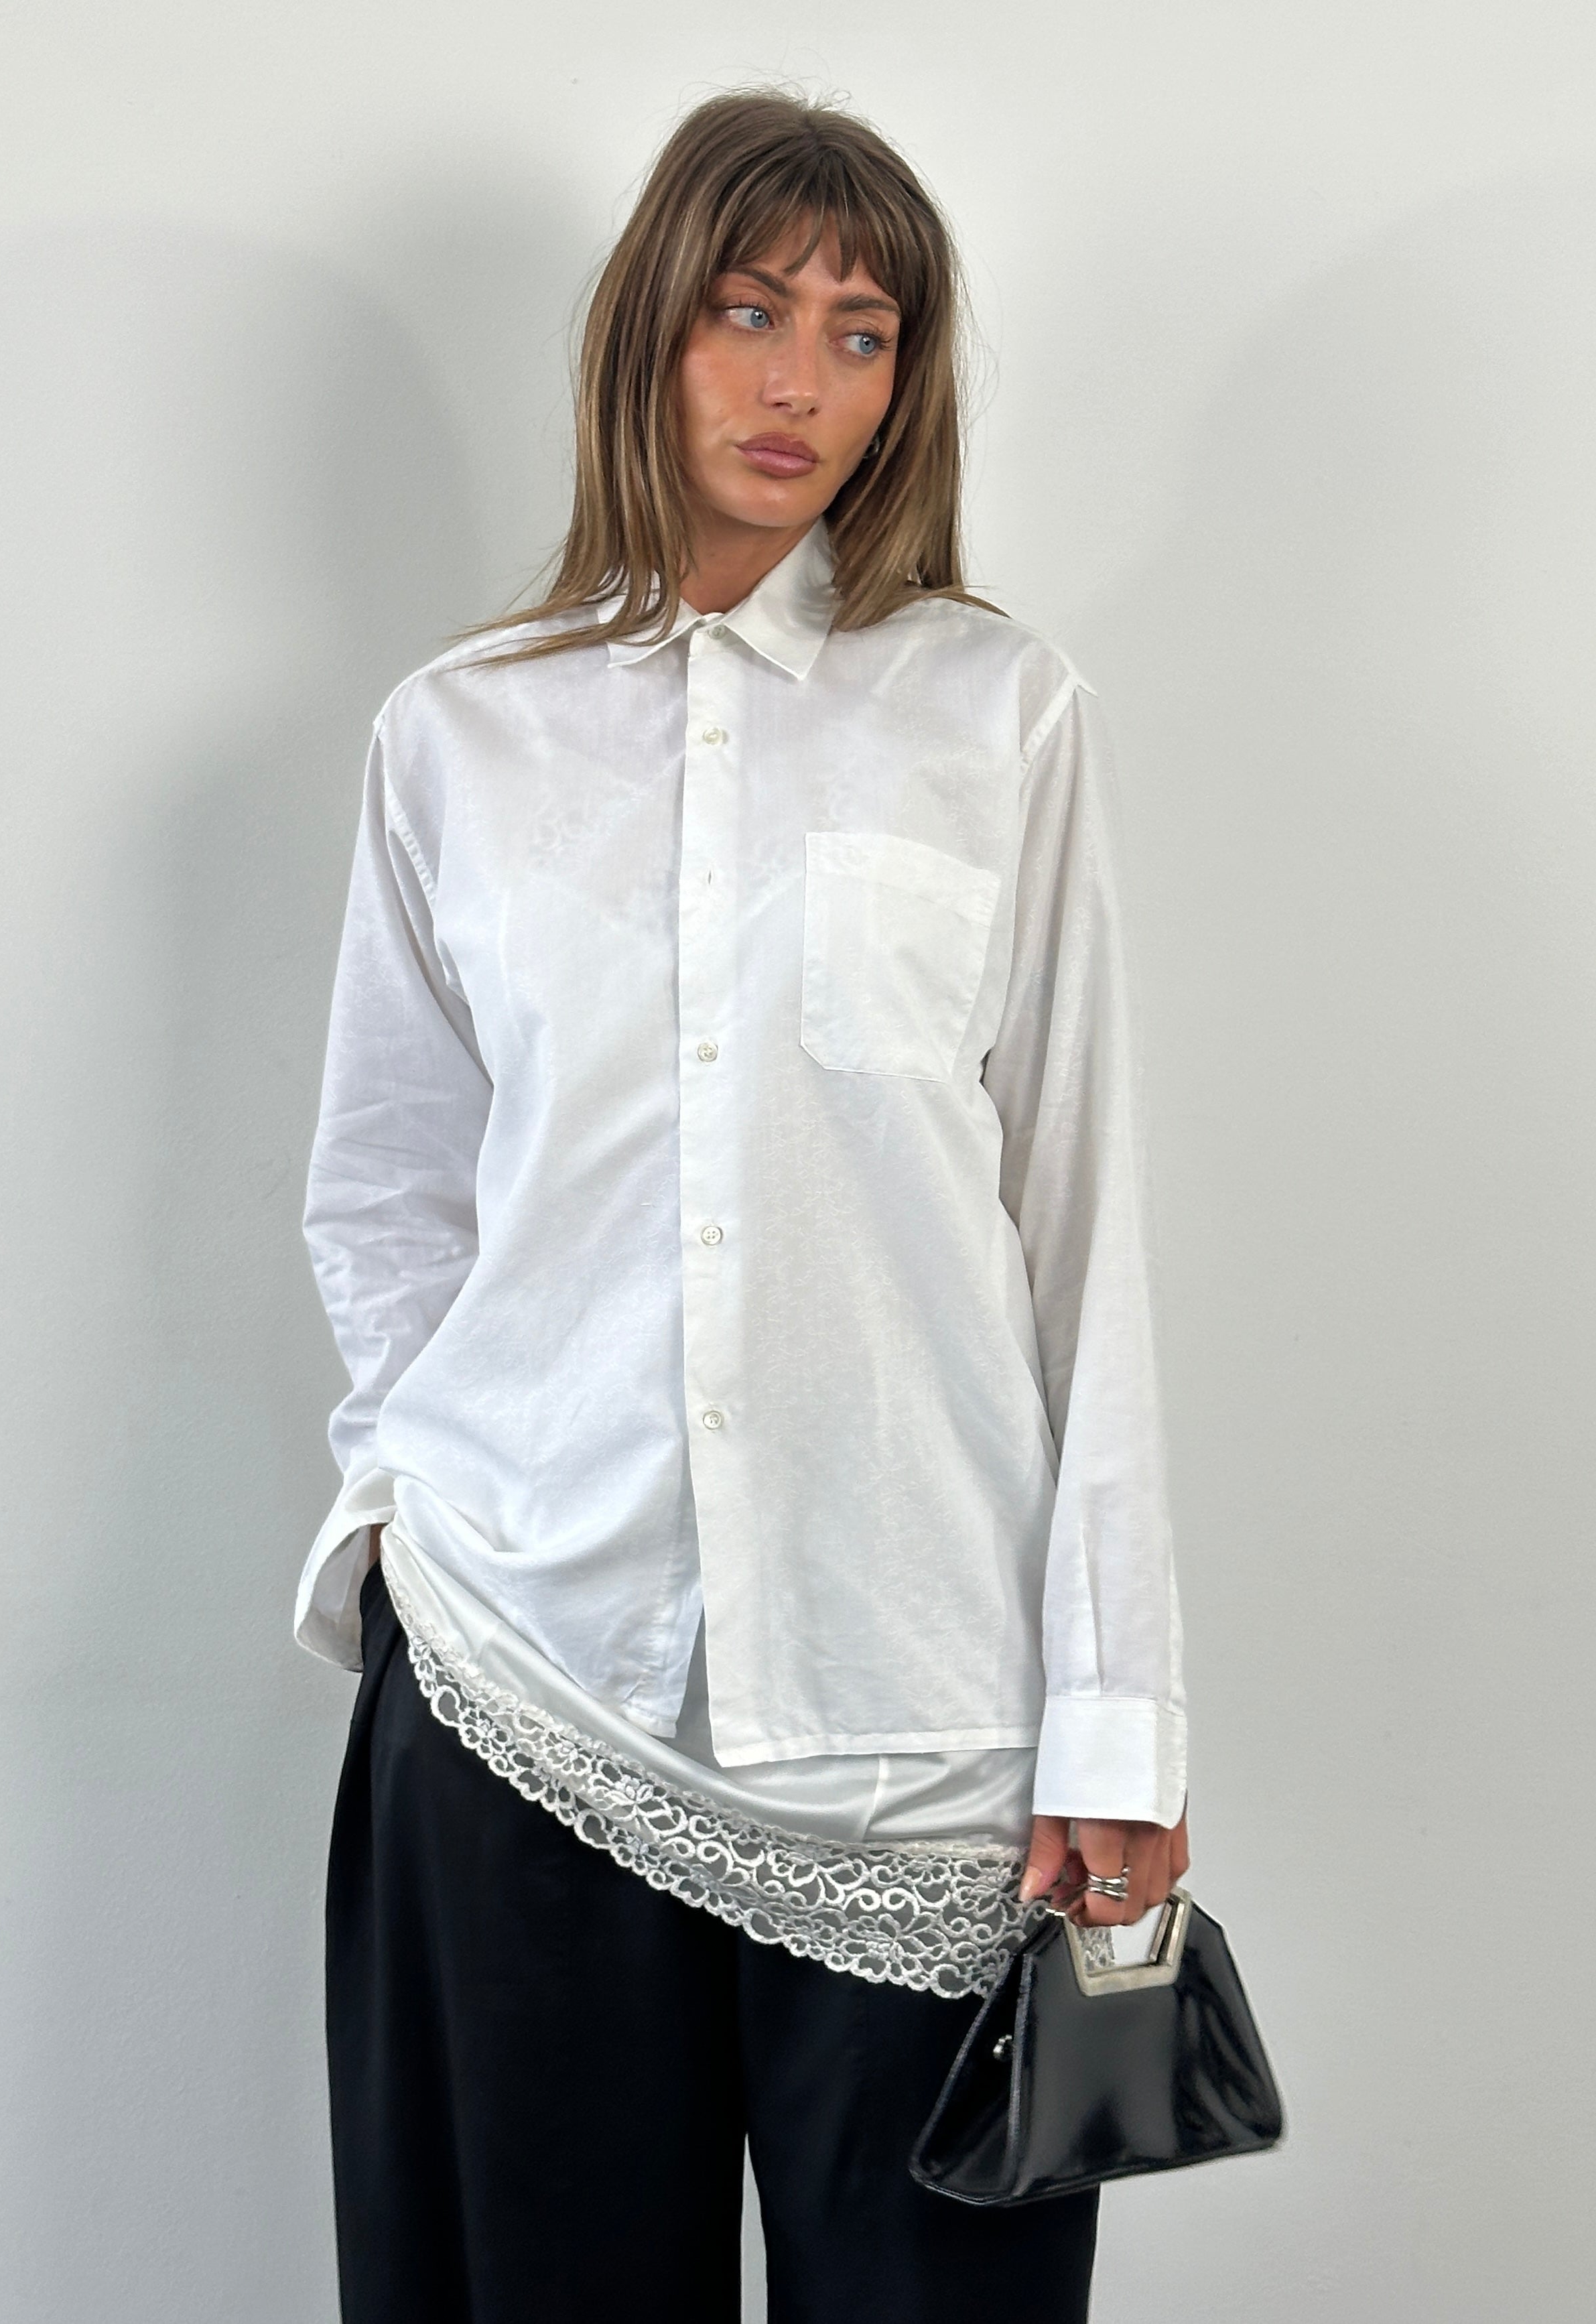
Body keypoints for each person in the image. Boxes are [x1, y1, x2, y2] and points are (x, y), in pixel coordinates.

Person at [297, 86, 1189, 2324]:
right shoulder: (456, 735)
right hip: (521, 1679)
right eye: (748, 311)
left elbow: (1079, 1227)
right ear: (649, 333)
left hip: (918, 1711)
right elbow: (385, 1188)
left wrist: (1116, 1713)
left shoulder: (998, 714)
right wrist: (416, 1510)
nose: (802, 380)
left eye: (862, 331)